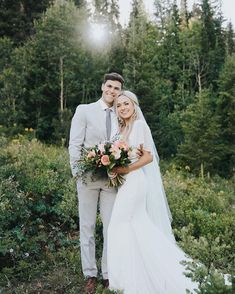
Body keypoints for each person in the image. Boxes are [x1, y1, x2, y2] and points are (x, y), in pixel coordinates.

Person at [107, 90, 198, 293]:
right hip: (125, 183)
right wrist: (113, 170)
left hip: (136, 182)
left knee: (119, 225)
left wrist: (125, 169)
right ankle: (132, 276)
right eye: (119, 105)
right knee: (134, 226)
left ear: (134, 105)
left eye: (126, 104)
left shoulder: (139, 125)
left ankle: (132, 280)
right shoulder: (122, 130)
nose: (122, 107)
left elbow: (148, 157)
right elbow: (122, 156)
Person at [68, 72, 124, 294]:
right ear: (102, 86)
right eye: (109, 86)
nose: (112, 91)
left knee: (111, 228)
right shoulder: (85, 110)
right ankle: (90, 274)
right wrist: (77, 174)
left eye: (116, 88)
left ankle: (108, 274)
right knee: (87, 226)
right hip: (88, 178)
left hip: (112, 181)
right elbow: (74, 144)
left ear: (120, 92)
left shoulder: (122, 113)